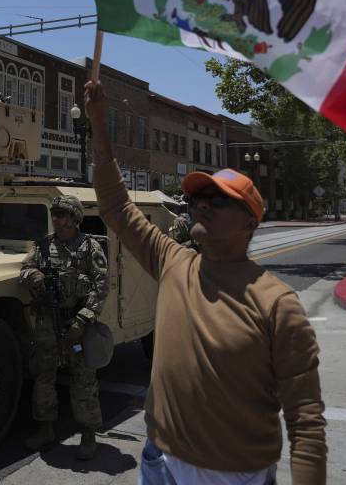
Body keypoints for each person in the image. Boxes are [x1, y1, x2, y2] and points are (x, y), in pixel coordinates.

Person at [85, 80, 326, 485]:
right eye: (196, 200)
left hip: (235, 475)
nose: (200, 207)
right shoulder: (173, 261)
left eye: (217, 201)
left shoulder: (278, 303)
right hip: (159, 461)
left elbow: (306, 422)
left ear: (249, 222)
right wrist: (97, 122)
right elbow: (116, 206)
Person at [19, 194, 109, 460]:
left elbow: (101, 286)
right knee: (44, 376)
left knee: (83, 379)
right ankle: (45, 428)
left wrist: (83, 318)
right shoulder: (44, 246)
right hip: (49, 322)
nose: (55, 219)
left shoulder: (89, 247)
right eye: (54, 214)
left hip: (77, 322)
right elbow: (24, 269)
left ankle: (89, 433)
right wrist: (34, 274)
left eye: (60, 214)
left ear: (74, 218)